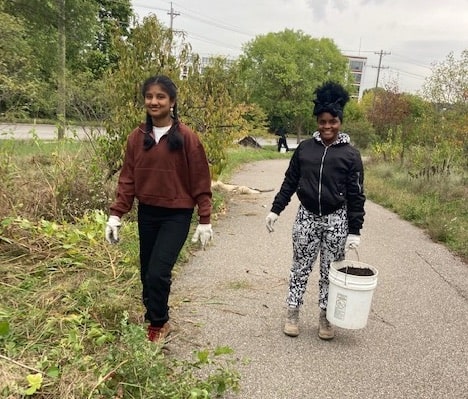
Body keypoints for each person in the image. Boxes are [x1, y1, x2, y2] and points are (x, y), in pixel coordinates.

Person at [105, 75, 213, 342]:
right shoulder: (136, 137)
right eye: (150, 96)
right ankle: (153, 315)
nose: (154, 101)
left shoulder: (187, 138)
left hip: (176, 215)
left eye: (160, 97)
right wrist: (116, 214)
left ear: (172, 102)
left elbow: (201, 179)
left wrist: (205, 219)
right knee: (146, 272)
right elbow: (128, 178)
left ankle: (159, 324)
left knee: (158, 272)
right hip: (148, 213)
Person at [265, 81, 365, 340]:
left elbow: (356, 194)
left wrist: (354, 230)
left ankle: (326, 317)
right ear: (317, 122)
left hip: (336, 220)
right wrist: (276, 209)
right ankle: (293, 312)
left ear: (340, 121)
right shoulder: (305, 149)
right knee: (300, 267)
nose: (327, 127)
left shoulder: (351, 155)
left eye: (332, 121)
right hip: (306, 217)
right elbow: (290, 181)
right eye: (322, 122)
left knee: (329, 272)